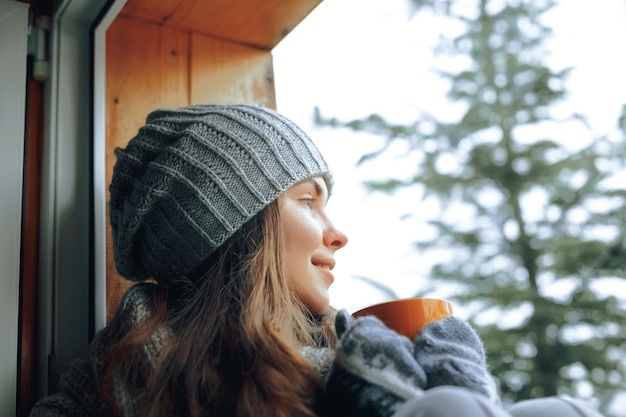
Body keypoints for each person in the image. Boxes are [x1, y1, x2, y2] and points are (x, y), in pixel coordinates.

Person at [29, 104, 606, 417]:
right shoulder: (106, 384)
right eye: (307, 201)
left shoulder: (355, 352)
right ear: (232, 228)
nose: (338, 235)